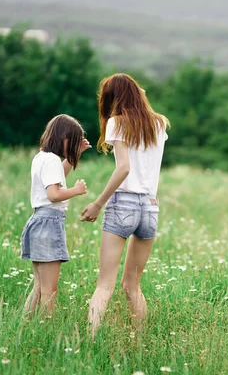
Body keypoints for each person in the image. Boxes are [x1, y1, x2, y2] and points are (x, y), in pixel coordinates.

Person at [81, 73, 169, 336]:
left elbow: (124, 169)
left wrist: (98, 203)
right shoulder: (160, 124)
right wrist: (140, 93)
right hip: (150, 207)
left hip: (123, 205)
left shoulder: (116, 123)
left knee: (104, 285)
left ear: (112, 98)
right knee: (132, 285)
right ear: (137, 93)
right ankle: (139, 342)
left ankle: (90, 340)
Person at [21, 114, 91, 314]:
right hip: (49, 224)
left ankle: (24, 325)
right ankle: (44, 329)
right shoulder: (51, 160)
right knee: (49, 291)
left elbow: (56, 177)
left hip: (38, 222)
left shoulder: (42, 157)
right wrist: (76, 191)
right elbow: (53, 194)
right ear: (64, 138)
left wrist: (73, 156)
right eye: (73, 142)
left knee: (39, 286)